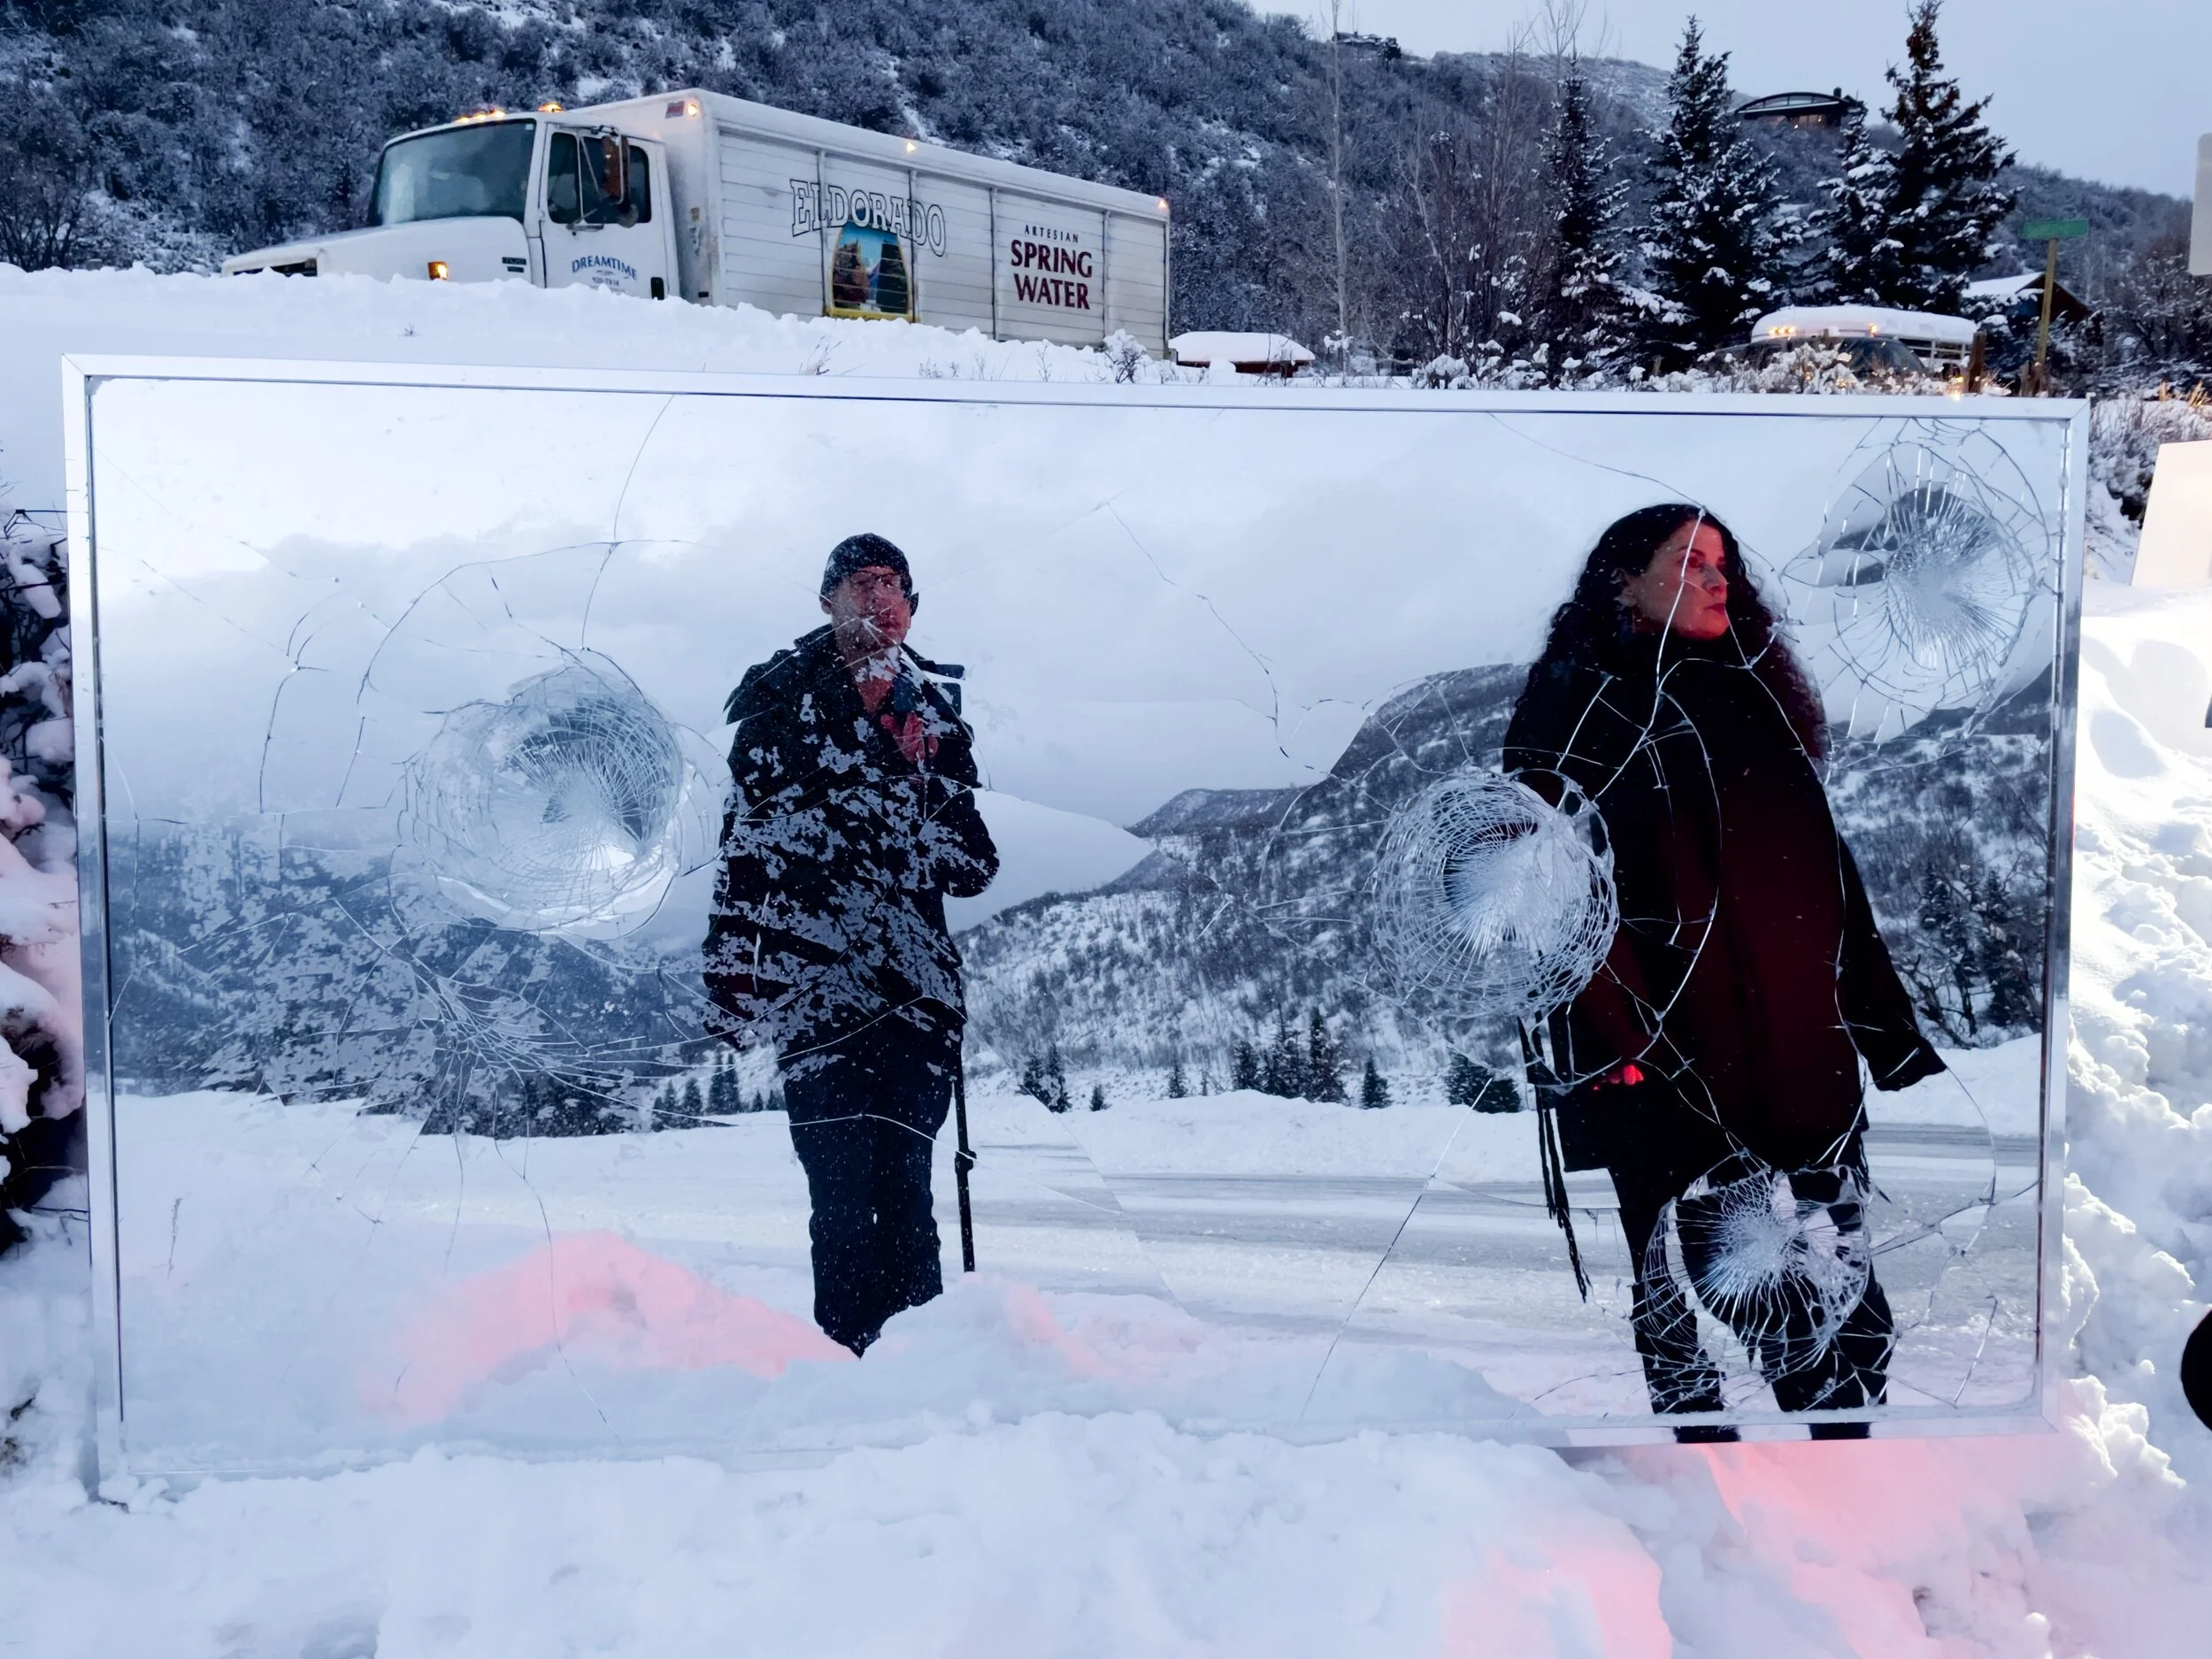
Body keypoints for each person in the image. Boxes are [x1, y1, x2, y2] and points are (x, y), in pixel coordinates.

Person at [1502, 503, 1943, 1439]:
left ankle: (1854, 1498)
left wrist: (1880, 1025)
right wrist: (1634, 1049)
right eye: (1692, 562)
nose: (1719, 580)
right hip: (1672, 1061)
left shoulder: (1754, 695)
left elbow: (1826, 872)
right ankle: (1701, 1504)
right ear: (1622, 581)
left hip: (1799, 1052)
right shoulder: (1575, 701)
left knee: (1843, 1311)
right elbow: (1543, 893)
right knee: (1716, 1296)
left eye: (1724, 565)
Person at [703, 533, 999, 1354]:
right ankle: (845, 1372)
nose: (881, 597)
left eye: (896, 583)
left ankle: (918, 1370)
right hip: (816, 987)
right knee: (838, 1193)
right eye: (862, 582)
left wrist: (925, 780)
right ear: (826, 600)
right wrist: (733, 972)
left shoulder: (934, 718)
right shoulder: (775, 703)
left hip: (915, 993)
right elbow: (746, 846)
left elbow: (972, 866)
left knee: (907, 1190)